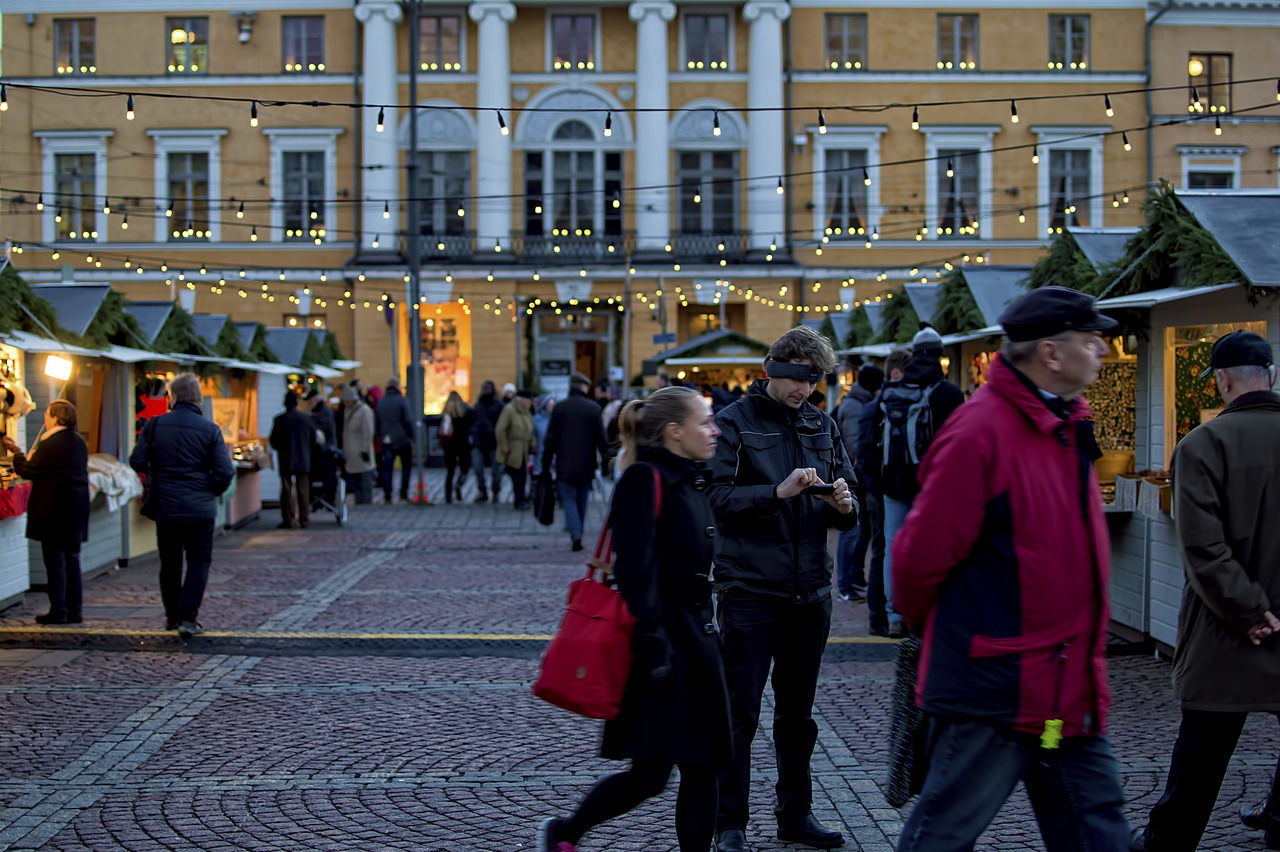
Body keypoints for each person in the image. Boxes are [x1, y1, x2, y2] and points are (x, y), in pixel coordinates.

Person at [891, 286, 1128, 851]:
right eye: (1092, 339)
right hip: (997, 694)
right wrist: (963, 635)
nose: (1103, 350)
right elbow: (917, 561)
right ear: (1050, 353)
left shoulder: (1063, 423)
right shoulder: (982, 432)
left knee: (1094, 824)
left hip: (1059, 698)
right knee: (945, 831)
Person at [537, 386, 730, 852]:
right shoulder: (645, 478)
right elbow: (634, 565)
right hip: (661, 644)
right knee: (649, 774)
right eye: (704, 422)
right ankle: (564, 832)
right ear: (674, 432)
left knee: (703, 766)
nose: (714, 429)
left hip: (698, 637)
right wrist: (654, 633)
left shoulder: (695, 478)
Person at [708, 326, 857, 852]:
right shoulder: (732, 424)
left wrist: (844, 504)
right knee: (740, 712)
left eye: (814, 381)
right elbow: (715, 501)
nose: (805, 391)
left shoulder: (822, 422)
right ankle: (730, 823)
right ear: (771, 370)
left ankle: (796, 815)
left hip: (810, 589)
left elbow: (849, 492)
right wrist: (774, 492)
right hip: (749, 588)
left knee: (798, 718)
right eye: (797, 380)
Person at [1130, 330, 1280, 852]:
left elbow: (1204, 549)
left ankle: (1167, 842)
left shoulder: (1201, 444)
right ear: (1272, 376)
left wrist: (1252, 609)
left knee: (1202, 748)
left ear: (1220, 381)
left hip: (1226, 624)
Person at [868, 325, 965, 637]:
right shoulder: (949, 393)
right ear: (940, 354)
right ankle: (931, 610)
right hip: (934, 483)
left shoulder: (894, 391)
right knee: (935, 543)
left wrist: (873, 478)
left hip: (892, 480)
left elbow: (871, 439)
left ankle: (893, 614)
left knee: (893, 545)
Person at [129, 374, 235, 637]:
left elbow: (137, 461)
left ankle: (172, 617)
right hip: (200, 508)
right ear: (198, 398)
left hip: (166, 505)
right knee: (199, 560)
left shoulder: (154, 426)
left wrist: (159, 473)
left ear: (172, 397)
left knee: (170, 562)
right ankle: (189, 618)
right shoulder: (210, 429)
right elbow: (225, 471)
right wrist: (209, 490)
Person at [4, 399, 90, 625]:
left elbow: (29, 470)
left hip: (54, 510)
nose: (44, 419)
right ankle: (75, 609)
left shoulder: (51, 443)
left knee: (54, 561)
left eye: (47, 415)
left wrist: (16, 455)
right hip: (77, 508)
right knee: (72, 560)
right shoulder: (78, 441)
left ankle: (58, 609)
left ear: (56, 418)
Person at [856, 351, 910, 637]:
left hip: (878, 486)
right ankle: (883, 614)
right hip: (884, 488)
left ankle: (881, 616)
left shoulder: (875, 407)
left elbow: (863, 450)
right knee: (883, 550)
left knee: (881, 549)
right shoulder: (882, 408)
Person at [541, 372, 608, 551]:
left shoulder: (560, 408)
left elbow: (551, 438)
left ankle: (575, 533)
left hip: (565, 463)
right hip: (587, 463)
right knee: (582, 499)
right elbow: (601, 439)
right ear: (584, 387)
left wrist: (546, 462)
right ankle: (578, 531)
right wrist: (606, 462)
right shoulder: (593, 408)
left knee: (568, 499)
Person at [834, 364, 884, 602]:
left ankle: (853, 577)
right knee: (851, 530)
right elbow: (854, 442)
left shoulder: (856, 402)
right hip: (855, 475)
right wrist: (860, 470)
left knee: (860, 529)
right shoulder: (855, 405)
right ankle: (845, 584)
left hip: (856, 474)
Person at [269, 391, 317, 529]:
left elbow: (273, 441)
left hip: (286, 458)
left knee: (286, 489)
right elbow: (313, 439)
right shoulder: (306, 419)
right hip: (303, 458)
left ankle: (287, 519)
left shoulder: (279, 419)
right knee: (303, 489)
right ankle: (304, 518)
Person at [375, 377, 415, 504]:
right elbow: (408, 420)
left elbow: (376, 422)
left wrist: (379, 435)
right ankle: (403, 493)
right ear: (398, 387)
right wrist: (411, 435)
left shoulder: (381, 402)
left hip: (386, 439)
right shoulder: (403, 401)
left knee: (387, 468)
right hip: (402, 439)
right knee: (406, 467)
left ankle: (388, 495)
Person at [495, 389, 536, 510]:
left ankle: (521, 500)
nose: (530, 403)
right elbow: (500, 430)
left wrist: (533, 444)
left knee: (522, 476)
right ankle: (519, 501)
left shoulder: (526, 412)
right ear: (521, 399)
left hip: (523, 450)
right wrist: (504, 447)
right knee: (517, 476)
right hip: (513, 450)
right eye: (528, 400)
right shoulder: (509, 410)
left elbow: (530, 430)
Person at [470, 380, 506, 503]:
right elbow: (473, 421)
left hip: (494, 443)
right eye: (484, 388)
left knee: (496, 471)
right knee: (478, 469)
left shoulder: (499, 405)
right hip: (479, 442)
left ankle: (496, 491)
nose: (485, 391)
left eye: (487, 389)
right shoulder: (478, 406)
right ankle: (482, 491)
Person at [339, 385, 375, 505]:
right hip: (350, 452)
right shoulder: (346, 410)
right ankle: (359, 501)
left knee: (364, 480)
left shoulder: (364, 410)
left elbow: (368, 432)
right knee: (354, 481)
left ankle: (365, 503)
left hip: (361, 452)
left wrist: (364, 449)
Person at [439, 390, 474, 504]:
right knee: (465, 468)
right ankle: (459, 485)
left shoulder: (445, 415)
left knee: (450, 472)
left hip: (449, 446)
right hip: (462, 445)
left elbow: (440, 433)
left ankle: (448, 496)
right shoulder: (465, 414)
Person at [531, 395, 554, 478]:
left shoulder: (554, 419)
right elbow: (531, 436)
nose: (552, 407)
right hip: (538, 458)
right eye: (550, 405)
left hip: (553, 460)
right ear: (544, 406)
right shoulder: (535, 420)